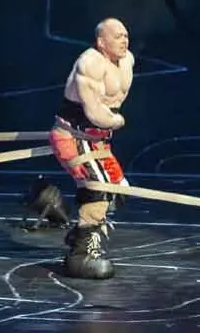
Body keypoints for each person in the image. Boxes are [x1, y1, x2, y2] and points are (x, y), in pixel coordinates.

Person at [48, 17, 134, 279]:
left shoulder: (127, 61)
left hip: (98, 141)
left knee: (119, 192)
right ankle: (80, 255)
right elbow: (95, 112)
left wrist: (111, 123)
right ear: (101, 42)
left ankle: (76, 230)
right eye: (117, 36)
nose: (124, 40)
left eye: (125, 35)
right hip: (72, 137)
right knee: (98, 188)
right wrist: (116, 121)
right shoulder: (90, 63)